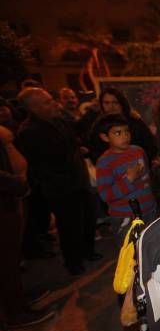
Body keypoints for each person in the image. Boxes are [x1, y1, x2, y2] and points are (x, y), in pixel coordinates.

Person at [16, 88, 100, 275]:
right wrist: (74, 151)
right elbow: (51, 156)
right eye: (47, 102)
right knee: (69, 225)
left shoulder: (57, 119)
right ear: (34, 108)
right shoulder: (29, 131)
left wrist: (92, 113)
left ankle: (88, 251)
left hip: (78, 179)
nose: (54, 103)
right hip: (60, 186)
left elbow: (75, 131)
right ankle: (73, 261)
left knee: (88, 217)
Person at [0, 125, 56, 328]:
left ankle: (18, 302)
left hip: (9, 202)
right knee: (6, 263)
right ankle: (15, 313)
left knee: (10, 261)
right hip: (6, 201)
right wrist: (17, 183)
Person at [95, 114, 157, 238]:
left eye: (126, 131)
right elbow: (105, 195)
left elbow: (147, 177)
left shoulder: (138, 150)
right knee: (132, 252)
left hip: (149, 209)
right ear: (105, 137)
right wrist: (129, 179)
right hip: (125, 216)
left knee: (152, 246)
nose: (125, 136)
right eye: (118, 133)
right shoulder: (104, 162)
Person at [88, 88, 157, 164]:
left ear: (122, 104)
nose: (111, 106)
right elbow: (93, 150)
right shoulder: (99, 125)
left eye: (115, 102)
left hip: (136, 166)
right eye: (107, 103)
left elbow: (150, 146)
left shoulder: (135, 122)